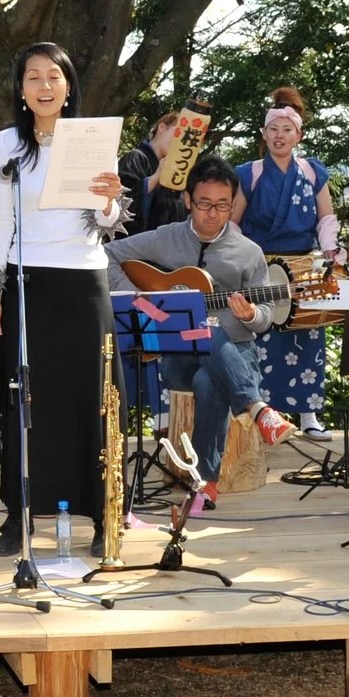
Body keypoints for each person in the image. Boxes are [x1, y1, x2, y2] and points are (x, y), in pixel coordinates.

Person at [0, 43, 126, 559]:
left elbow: (104, 223)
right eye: (33, 77)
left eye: (53, 76)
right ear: (21, 89)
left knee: (93, 399)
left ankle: (105, 515)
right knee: (25, 398)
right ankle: (18, 514)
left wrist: (110, 199)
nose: (44, 86)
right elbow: (1, 219)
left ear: (68, 86)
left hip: (84, 280)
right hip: (26, 282)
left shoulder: (90, 139)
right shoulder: (5, 145)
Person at [106, 157, 295, 506]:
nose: (213, 213)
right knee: (200, 329)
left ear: (233, 205)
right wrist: (137, 298)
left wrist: (252, 313)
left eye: (223, 205)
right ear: (188, 201)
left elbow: (267, 316)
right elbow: (107, 254)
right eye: (205, 204)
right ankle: (256, 408)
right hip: (178, 358)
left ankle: (205, 481)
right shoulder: (165, 239)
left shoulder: (249, 253)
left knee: (211, 375)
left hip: (237, 352)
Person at [230, 87, 339, 436]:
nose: (280, 136)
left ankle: (309, 415)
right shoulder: (249, 173)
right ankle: (262, 416)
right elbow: (233, 221)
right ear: (264, 134)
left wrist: (331, 251)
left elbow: (325, 218)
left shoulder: (312, 172)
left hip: (304, 264)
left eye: (286, 130)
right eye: (273, 129)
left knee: (307, 335)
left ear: (299, 135)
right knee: (261, 339)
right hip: (259, 263)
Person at [115, 108, 199, 234]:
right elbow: (120, 203)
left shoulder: (177, 173)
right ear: (162, 127)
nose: (180, 141)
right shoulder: (136, 157)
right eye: (178, 133)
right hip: (133, 244)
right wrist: (155, 177)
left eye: (184, 139)